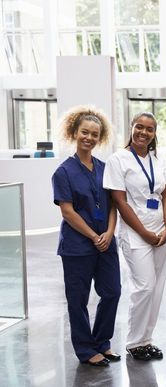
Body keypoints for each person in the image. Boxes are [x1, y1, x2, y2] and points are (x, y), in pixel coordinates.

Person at [51, 106, 121, 367]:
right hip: (77, 246)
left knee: (112, 291)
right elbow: (67, 212)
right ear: (74, 133)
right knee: (78, 300)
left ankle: (102, 342)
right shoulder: (63, 172)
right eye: (84, 132)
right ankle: (85, 349)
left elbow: (114, 204)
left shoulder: (106, 168)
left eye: (94, 134)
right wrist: (94, 236)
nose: (89, 138)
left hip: (106, 242)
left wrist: (109, 233)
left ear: (100, 137)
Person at [103, 112, 166, 361]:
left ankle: (146, 340)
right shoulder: (118, 160)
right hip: (135, 233)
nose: (144, 132)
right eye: (139, 127)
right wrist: (144, 232)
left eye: (150, 129)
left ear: (155, 133)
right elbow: (119, 201)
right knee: (144, 286)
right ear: (131, 128)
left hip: (160, 233)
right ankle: (134, 342)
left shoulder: (159, 159)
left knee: (157, 287)